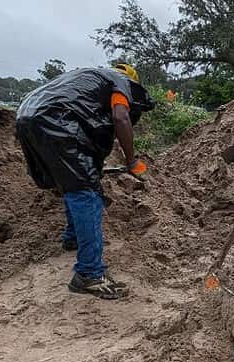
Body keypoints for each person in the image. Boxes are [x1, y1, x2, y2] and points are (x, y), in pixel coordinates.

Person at [15, 63, 153, 300]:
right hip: (56, 121)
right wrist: (131, 161)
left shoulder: (86, 79)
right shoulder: (120, 82)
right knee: (86, 193)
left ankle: (73, 239)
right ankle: (89, 274)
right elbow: (120, 118)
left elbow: (89, 125)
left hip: (27, 116)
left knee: (71, 182)